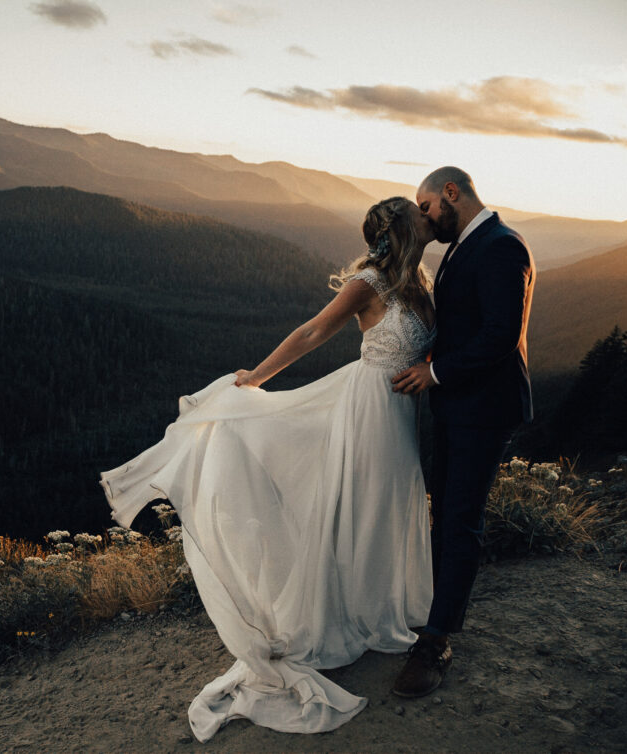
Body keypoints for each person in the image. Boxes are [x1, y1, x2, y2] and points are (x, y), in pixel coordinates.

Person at [100, 197, 438, 742]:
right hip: (369, 405)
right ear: (403, 227)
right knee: (364, 504)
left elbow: (433, 342)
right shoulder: (371, 282)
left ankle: (378, 605)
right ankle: (346, 614)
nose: (430, 217)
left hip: (401, 408)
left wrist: (429, 364)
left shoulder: (420, 282)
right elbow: (311, 332)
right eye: (420, 213)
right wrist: (257, 377)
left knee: (390, 503)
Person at [391, 167, 535, 698]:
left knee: (461, 518)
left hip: (483, 408)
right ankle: (433, 613)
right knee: (444, 511)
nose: (424, 218)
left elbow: (502, 334)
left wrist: (435, 372)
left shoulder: (501, 246)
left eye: (426, 206)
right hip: (455, 405)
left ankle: (436, 642)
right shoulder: (463, 245)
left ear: (451, 193)